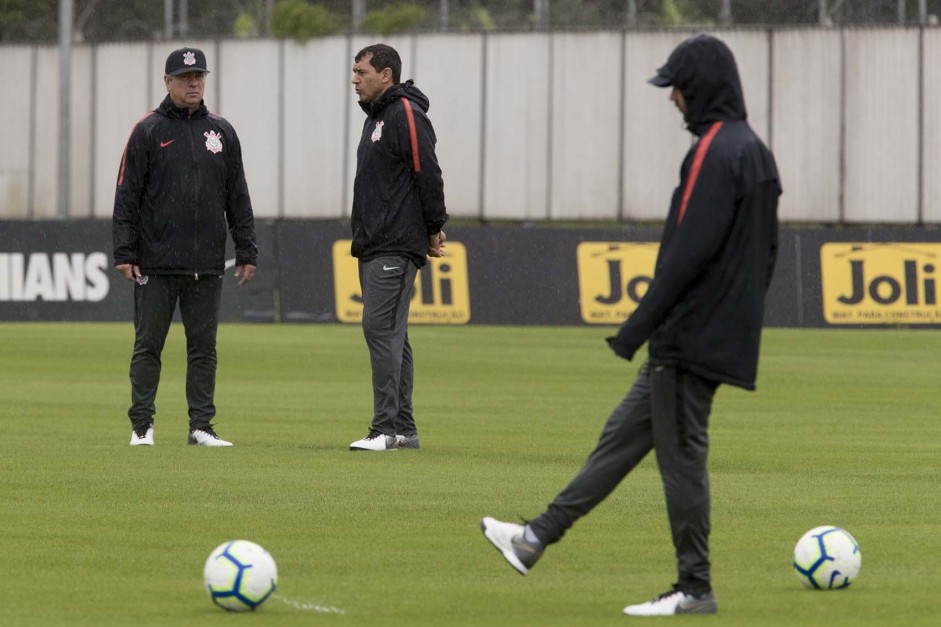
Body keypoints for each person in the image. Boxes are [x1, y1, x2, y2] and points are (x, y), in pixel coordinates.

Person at [480, 33, 781, 616]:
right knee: (618, 443)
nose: (672, 99)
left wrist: (637, 328)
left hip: (687, 339)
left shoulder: (713, 152)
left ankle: (695, 587)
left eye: (676, 87)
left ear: (699, 88)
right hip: (711, 335)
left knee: (683, 462)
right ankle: (534, 538)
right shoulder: (754, 151)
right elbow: (764, 256)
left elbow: (686, 252)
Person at [112, 47, 257, 448]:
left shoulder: (222, 132)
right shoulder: (148, 130)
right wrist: (125, 252)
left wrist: (247, 250)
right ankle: (142, 427)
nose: (194, 83)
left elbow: (237, 196)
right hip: (156, 264)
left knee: (204, 350)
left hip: (206, 263)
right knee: (147, 347)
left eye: (199, 76)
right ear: (167, 82)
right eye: (184, 76)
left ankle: (201, 427)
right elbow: (127, 196)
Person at [347, 43, 449, 452]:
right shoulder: (376, 118)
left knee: (380, 329)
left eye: (361, 72)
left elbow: (429, 172)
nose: (355, 80)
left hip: (395, 244)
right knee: (392, 335)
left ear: (386, 74)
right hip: (374, 244)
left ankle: (384, 429)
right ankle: (403, 430)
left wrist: (434, 226)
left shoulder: (405, 113)